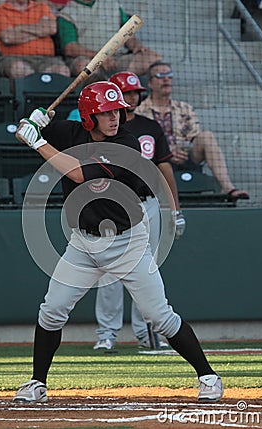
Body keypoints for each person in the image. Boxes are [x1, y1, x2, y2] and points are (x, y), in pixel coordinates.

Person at [12, 80, 224, 403]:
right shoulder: (70, 133)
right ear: (88, 117)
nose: (115, 118)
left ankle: (208, 376)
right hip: (82, 243)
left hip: (126, 243)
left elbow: (80, 173)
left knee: (160, 316)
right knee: (51, 310)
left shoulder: (126, 143)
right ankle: (36, 382)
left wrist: (38, 142)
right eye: (106, 113)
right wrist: (33, 122)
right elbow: (22, 130)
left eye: (117, 112)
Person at [87, 71, 185, 350]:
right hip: (110, 205)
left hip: (146, 203)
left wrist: (175, 209)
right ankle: (106, 334)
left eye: (133, 93)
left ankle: (149, 334)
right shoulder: (96, 131)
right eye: (124, 93)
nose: (130, 98)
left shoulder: (150, 127)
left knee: (146, 269)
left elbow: (164, 168)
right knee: (109, 270)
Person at [136, 61, 250, 201]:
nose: (166, 79)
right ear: (150, 83)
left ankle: (228, 187)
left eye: (169, 75)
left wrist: (180, 150)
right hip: (155, 160)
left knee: (206, 136)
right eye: (160, 75)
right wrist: (167, 151)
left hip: (184, 156)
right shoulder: (139, 110)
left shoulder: (184, 108)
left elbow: (193, 136)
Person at [57, 0, 162, 77]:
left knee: (152, 57)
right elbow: (70, 48)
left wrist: (136, 45)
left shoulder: (112, 4)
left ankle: (119, 84)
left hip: (118, 57)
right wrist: (100, 58)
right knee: (83, 67)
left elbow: (128, 33)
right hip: (88, 59)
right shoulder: (67, 13)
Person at [0, 0, 71, 79]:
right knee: (18, 69)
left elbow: (52, 28)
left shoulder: (42, 7)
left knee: (62, 71)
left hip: (46, 59)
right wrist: (40, 31)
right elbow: (8, 38)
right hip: (14, 58)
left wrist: (19, 29)